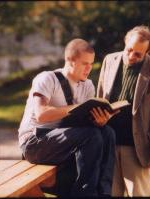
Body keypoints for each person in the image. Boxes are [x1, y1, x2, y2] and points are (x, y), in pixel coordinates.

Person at [18, 38, 116, 196]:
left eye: (91, 64)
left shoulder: (87, 85)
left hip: (64, 141)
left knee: (107, 133)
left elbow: (83, 124)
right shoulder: (47, 79)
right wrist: (77, 107)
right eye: (85, 64)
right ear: (70, 61)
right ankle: (84, 194)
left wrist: (99, 120)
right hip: (34, 142)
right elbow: (41, 114)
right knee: (91, 136)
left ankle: (103, 193)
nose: (89, 69)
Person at [97, 25, 150, 196]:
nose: (131, 56)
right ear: (125, 42)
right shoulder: (109, 60)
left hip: (137, 148)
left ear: (147, 52)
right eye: (129, 50)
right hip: (109, 143)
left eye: (138, 54)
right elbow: (100, 98)